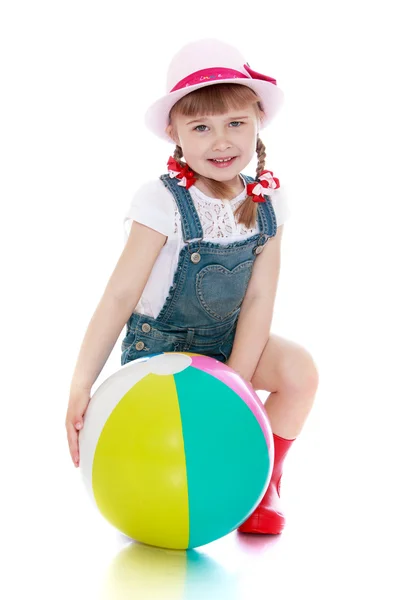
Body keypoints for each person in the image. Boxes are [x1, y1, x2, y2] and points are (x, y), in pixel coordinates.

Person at [66, 38, 319, 535]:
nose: (220, 142)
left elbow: (261, 296)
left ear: (257, 122)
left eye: (235, 124)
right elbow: (119, 296)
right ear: (174, 133)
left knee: (300, 371)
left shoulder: (269, 200)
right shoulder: (161, 201)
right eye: (201, 127)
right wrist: (81, 383)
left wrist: (237, 384)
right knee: (179, 437)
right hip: (161, 354)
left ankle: (264, 481)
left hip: (229, 345)